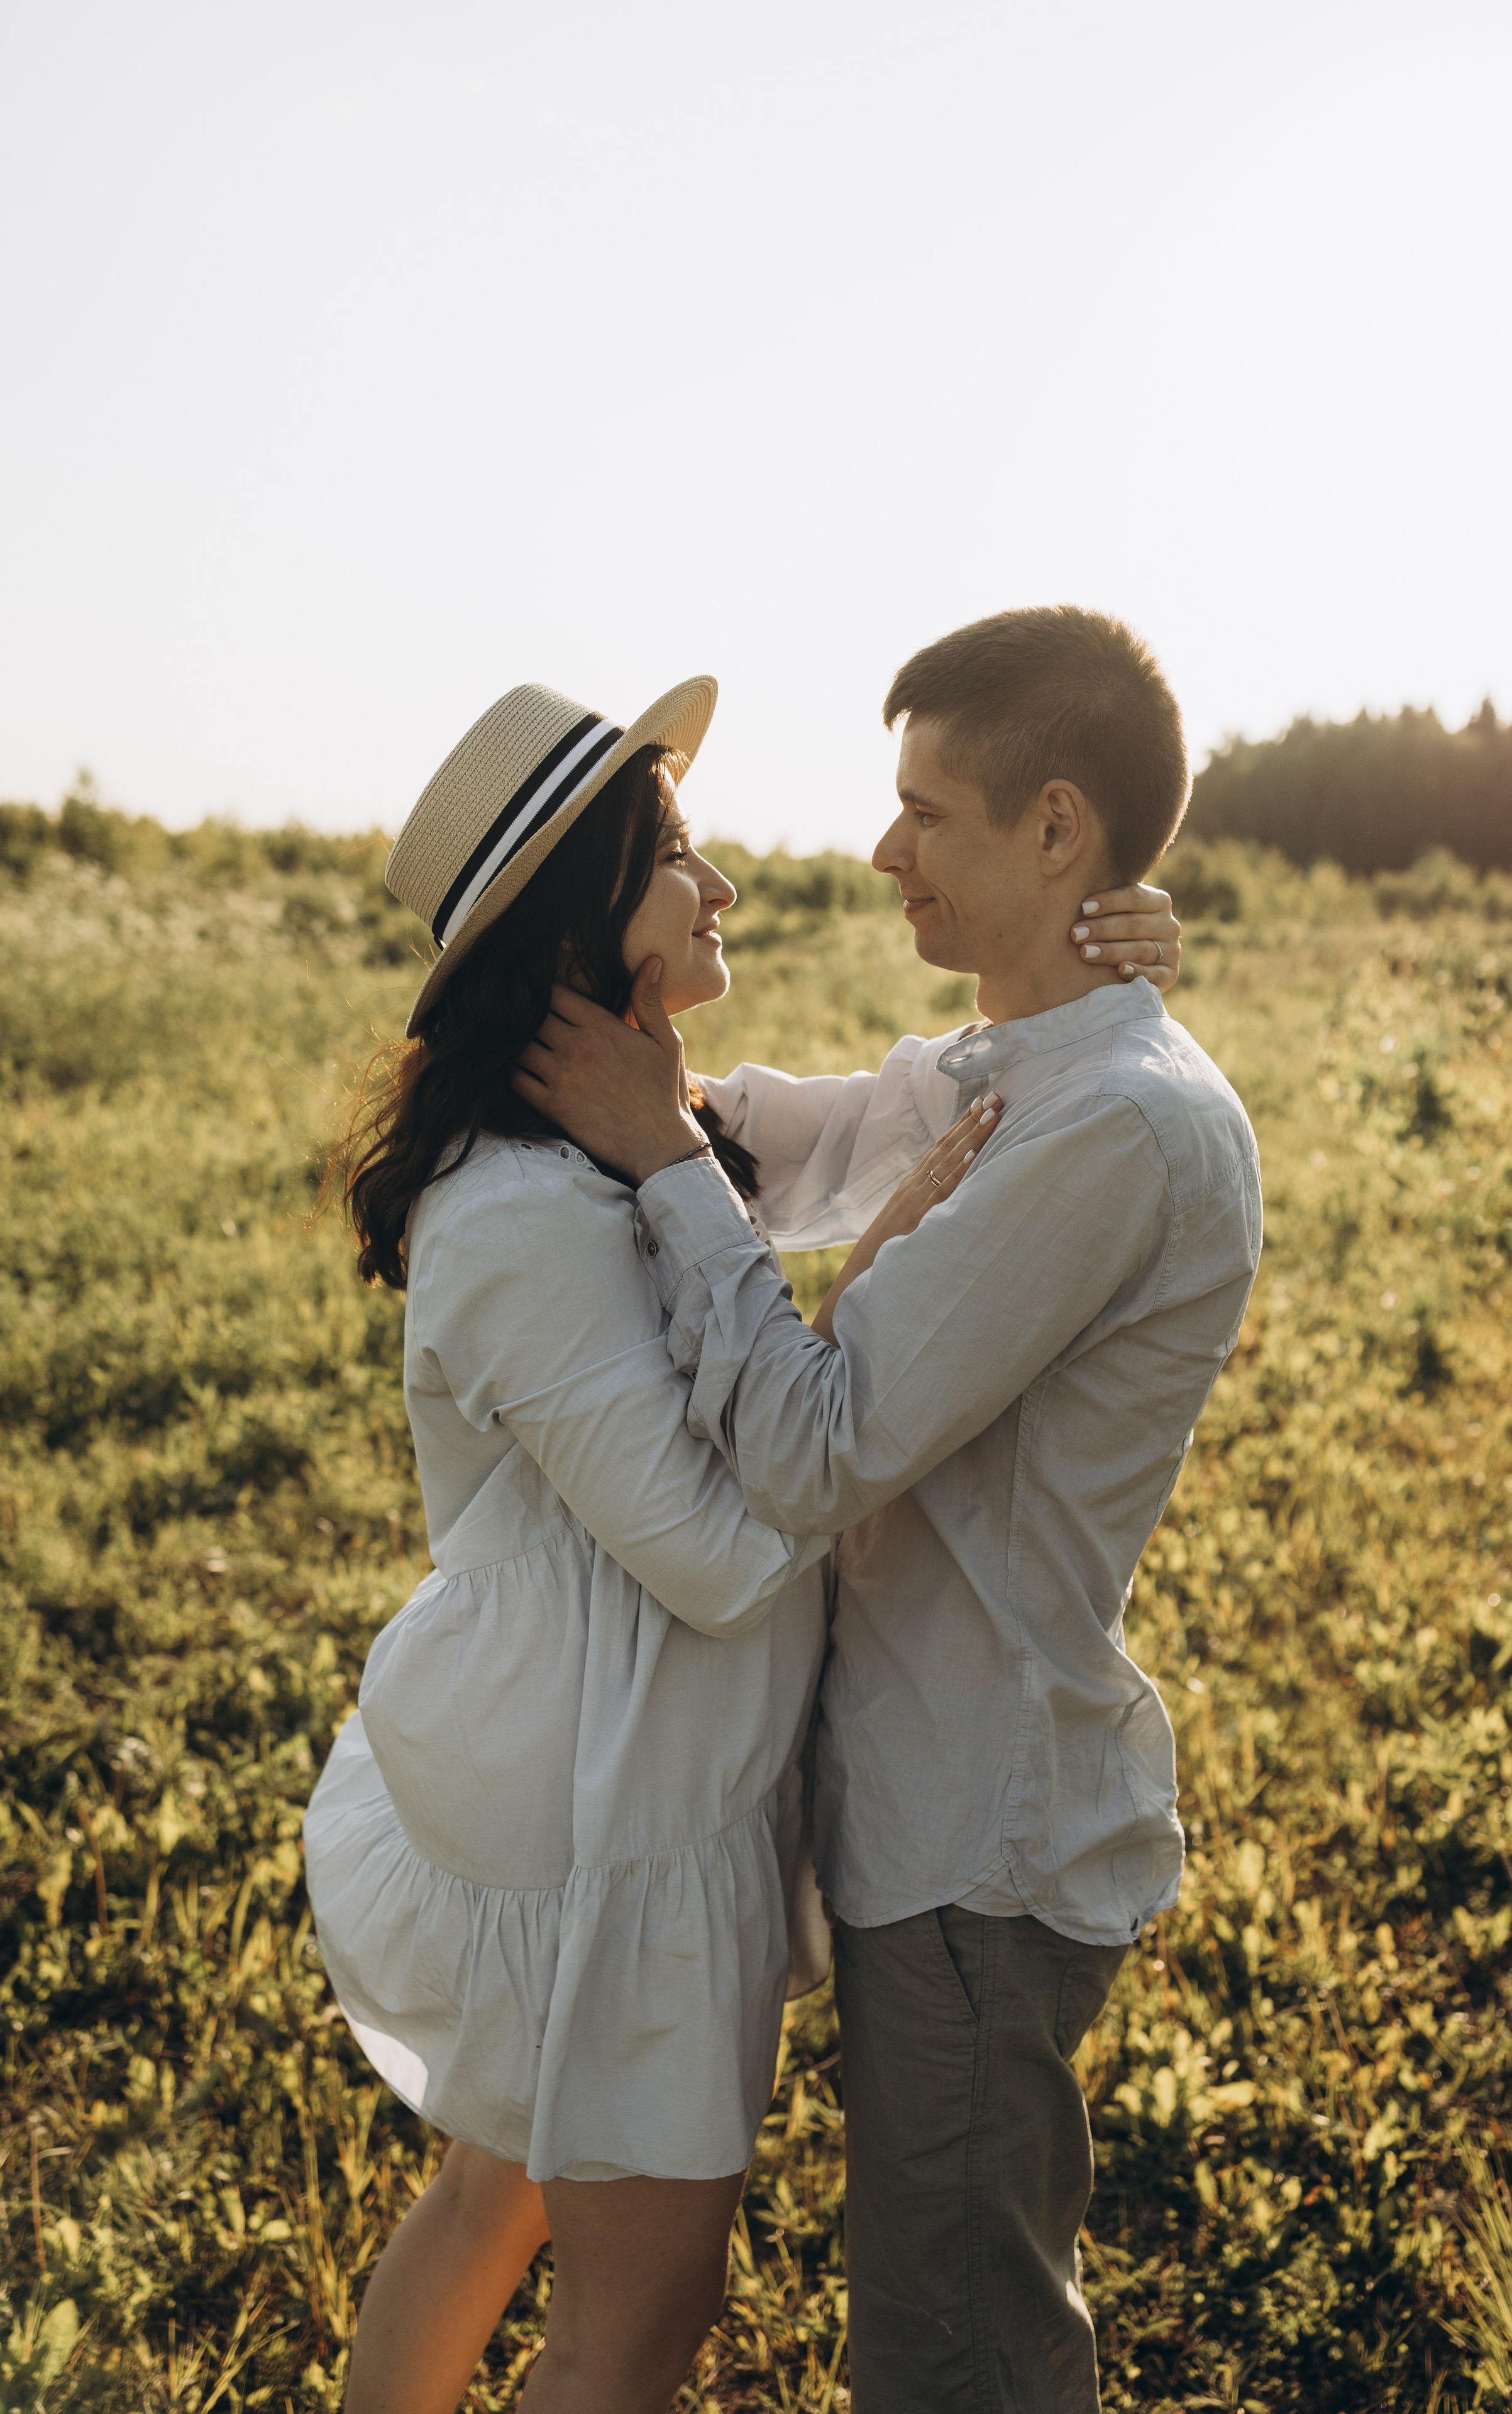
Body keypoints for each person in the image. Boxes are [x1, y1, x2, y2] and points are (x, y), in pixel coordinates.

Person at [302, 665, 1187, 2414]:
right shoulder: (532, 1218)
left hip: (635, 1773)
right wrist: (857, 1307)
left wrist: (1091, 972)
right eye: (677, 855)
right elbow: (720, 1549)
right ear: (578, 924)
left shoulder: (631, 1150)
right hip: (600, 1806)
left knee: (502, 2193)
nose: (724, 889)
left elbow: (871, 1135)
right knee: (636, 2317)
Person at [517, 605, 1264, 2414]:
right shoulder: (1017, 1064)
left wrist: (661, 1155)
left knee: (957, 2364)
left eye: (929, 811)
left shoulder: (1113, 1129)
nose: (882, 849)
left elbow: (811, 1444)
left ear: (1059, 832)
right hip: (925, 1816)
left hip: (975, 1844)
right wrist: (622, 1085)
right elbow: (813, 1144)